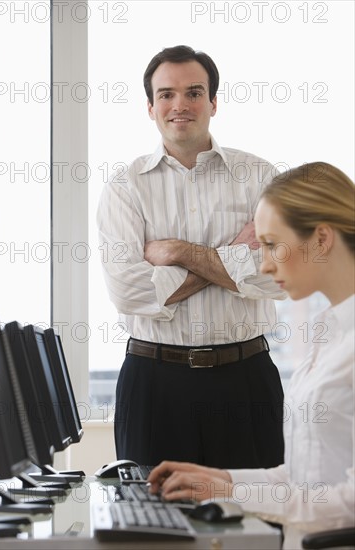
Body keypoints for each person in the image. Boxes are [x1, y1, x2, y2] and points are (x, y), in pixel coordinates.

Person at [147, 161, 355, 550]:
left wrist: (234, 493)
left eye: (273, 244)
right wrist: (222, 481)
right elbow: (301, 478)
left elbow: (350, 504)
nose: (263, 264)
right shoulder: (327, 333)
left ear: (322, 238)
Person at [97, 45, 287, 468]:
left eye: (194, 92)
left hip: (246, 378)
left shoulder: (260, 178)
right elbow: (131, 293)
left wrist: (177, 253)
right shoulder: (125, 189)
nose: (179, 104)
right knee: (152, 526)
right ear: (150, 107)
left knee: (254, 521)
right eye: (166, 94)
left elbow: (279, 278)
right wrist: (235, 257)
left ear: (213, 102)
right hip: (153, 384)